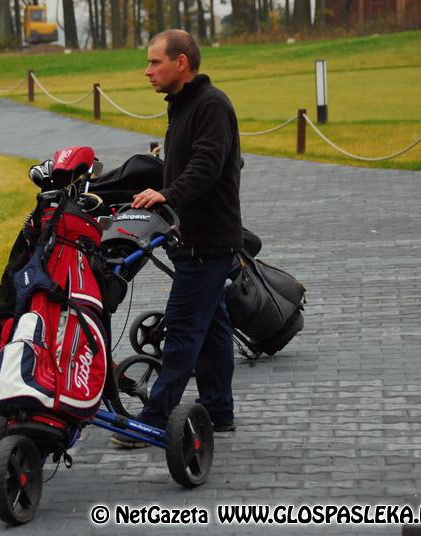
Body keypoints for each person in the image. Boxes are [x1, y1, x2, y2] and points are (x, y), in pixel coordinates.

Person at [111, 30, 243, 448]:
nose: (148, 71)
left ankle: (152, 422)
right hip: (195, 238)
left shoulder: (211, 105)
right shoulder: (184, 105)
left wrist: (169, 195)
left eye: (155, 62)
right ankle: (218, 410)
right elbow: (187, 164)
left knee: (183, 332)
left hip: (208, 242)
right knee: (214, 327)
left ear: (181, 62)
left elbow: (207, 165)